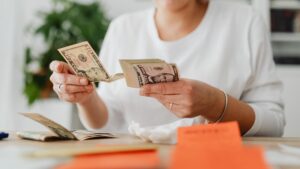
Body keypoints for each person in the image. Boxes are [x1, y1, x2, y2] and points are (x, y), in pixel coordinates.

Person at [49, 0, 285, 137]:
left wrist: (216, 105)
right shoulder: (123, 28)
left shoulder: (245, 22)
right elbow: (107, 123)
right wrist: (85, 97)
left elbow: (274, 124)